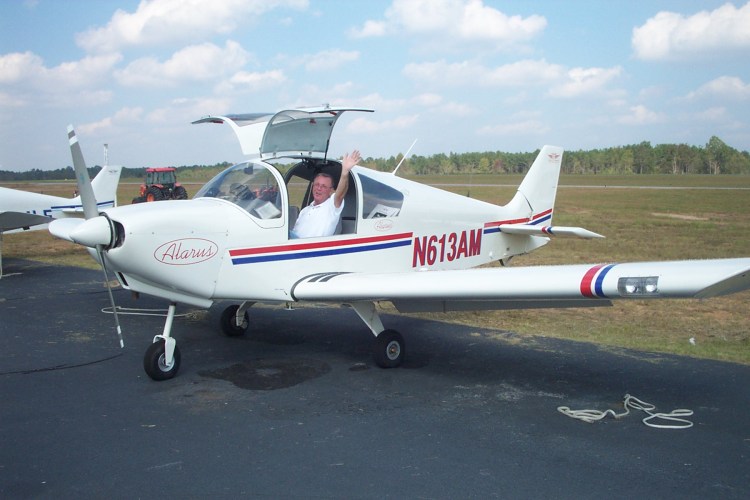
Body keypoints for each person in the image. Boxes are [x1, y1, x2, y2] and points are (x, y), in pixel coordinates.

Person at [291, 150, 361, 238]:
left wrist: (345, 172)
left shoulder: (331, 207)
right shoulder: (304, 211)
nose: (319, 188)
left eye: (323, 186)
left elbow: (340, 194)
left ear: (330, 191)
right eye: (317, 184)